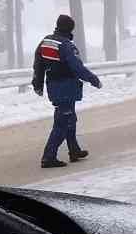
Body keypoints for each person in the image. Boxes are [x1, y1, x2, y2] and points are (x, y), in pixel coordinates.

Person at [31, 14, 102, 168]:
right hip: (66, 87)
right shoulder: (65, 45)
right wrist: (93, 79)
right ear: (70, 28)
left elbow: (38, 64)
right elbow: (77, 67)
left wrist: (37, 84)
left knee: (70, 119)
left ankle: (74, 150)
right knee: (62, 123)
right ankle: (48, 157)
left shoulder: (46, 41)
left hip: (54, 86)